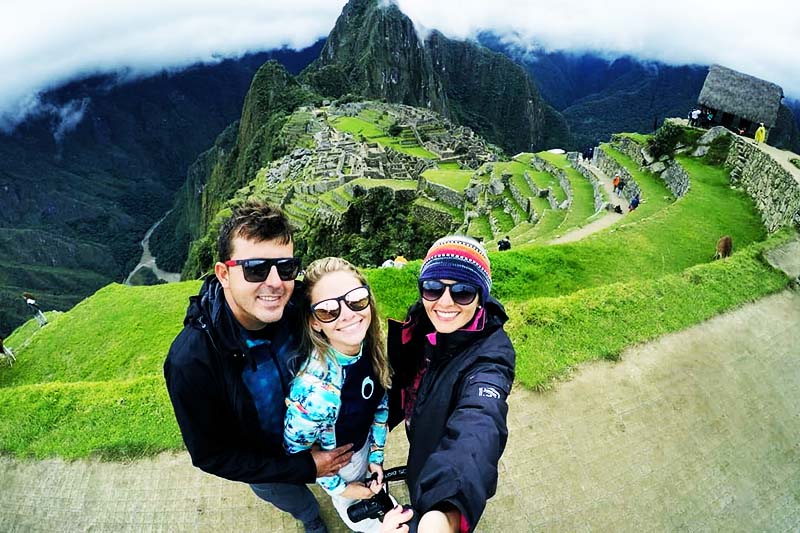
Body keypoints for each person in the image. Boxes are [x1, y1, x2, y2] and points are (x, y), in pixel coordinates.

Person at [164, 201, 353, 533]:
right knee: (299, 502)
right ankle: (311, 518)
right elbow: (212, 455)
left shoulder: (299, 308)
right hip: (264, 461)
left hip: (317, 431)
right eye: (255, 269)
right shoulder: (192, 361)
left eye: (285, 267)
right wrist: (304, 469)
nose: (275, 282)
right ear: (224, 274)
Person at [385, 235, 516, 532]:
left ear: (481, 296)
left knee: (426, 483)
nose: (444, 302)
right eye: (432, 288)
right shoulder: (420, 320)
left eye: (463, 292)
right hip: (421, 428)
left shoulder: (491, 357)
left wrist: (442, 515)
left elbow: (479, 424)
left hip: (439, 447)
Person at [284, 257, 391, 532]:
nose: (347, 314)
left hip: (365, 445)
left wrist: (376, 457)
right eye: (328, 310)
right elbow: (300, 454)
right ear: (315, 322)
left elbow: (379, 404)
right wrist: (344, 490)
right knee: (366, 521)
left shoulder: (368, 346)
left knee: (375, 490)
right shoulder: (315, 392)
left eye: (356, 300)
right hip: (340, 464)